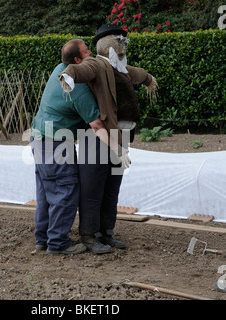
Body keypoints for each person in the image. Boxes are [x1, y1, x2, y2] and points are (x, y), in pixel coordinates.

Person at [60, 24, 158, 253]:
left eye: (124, 41)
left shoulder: (121, 68)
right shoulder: (97, 63)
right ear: (106, 45)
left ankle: (107, 233)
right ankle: (88, 235)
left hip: (120, 137)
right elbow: (81, 70)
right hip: (94, 138)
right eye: (119, 40)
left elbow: (137, 73)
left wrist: (148, 79)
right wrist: (67, 76)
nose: (123, 44)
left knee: (112, 186)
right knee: (92, 188)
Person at [31, 39, 118, 255]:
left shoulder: (59, 69)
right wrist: (118, 149)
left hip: (38, 138)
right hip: (56, 144)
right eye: (88, 52)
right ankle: (58, 244)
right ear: (77, 61)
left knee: (46, 192)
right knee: (65, 191)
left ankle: (43, 239)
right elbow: (97, 125)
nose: (92, 54)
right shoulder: (77, 88)